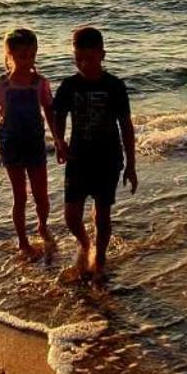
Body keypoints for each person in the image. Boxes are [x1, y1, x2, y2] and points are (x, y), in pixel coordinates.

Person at [52, 25, 136, 283]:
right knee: (71, 215)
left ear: (102, 54)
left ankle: (99, 258)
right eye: (78, 59)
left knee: (103, 214)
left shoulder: (115, 86)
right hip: (78, 158)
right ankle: (85, 243)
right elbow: (58, 116)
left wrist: (131, 164)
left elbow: (126, 125)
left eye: (89, 58)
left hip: (108, 158)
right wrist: (59, 141)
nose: (84, 64)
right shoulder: (69, 85)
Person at [0, 27, 63, 260]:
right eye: (21, 56)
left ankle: (42, 225)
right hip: (11, 145)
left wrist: (58, 140)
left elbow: (50, 112)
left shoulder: (40, 83)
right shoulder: (1, 85)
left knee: (42, 195)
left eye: (31, 56)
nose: (27, 61)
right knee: (20, 197)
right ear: (9, 55)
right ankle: (22, 241)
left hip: (35, 144)